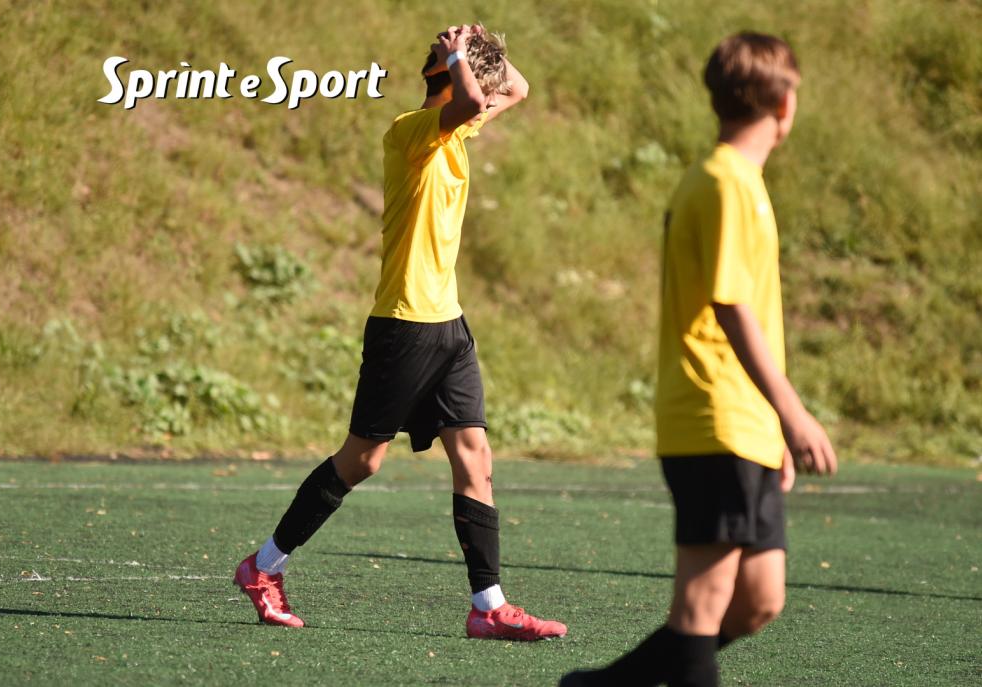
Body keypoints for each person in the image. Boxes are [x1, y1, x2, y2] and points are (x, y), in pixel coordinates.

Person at [234, 23, 567, 641]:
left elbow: (516, 88)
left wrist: (477, 47)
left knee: (475, 458)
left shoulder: (460, 127)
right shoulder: (412, 131)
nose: (484, 102)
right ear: (451, 80)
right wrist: (462, 59)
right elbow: (474, 97)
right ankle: (264, 566)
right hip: (403, 325)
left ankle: (488, 606)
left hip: (449, 327)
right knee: (361, 461)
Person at [561, 32, 838, 686]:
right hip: (714, 417)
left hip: (745, 422)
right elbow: (731, 307)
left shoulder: (741, 182)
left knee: (758, 600)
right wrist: (792, 413)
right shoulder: (723, 182)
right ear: (783, 102)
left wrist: (771, 429)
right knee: (700, 606)